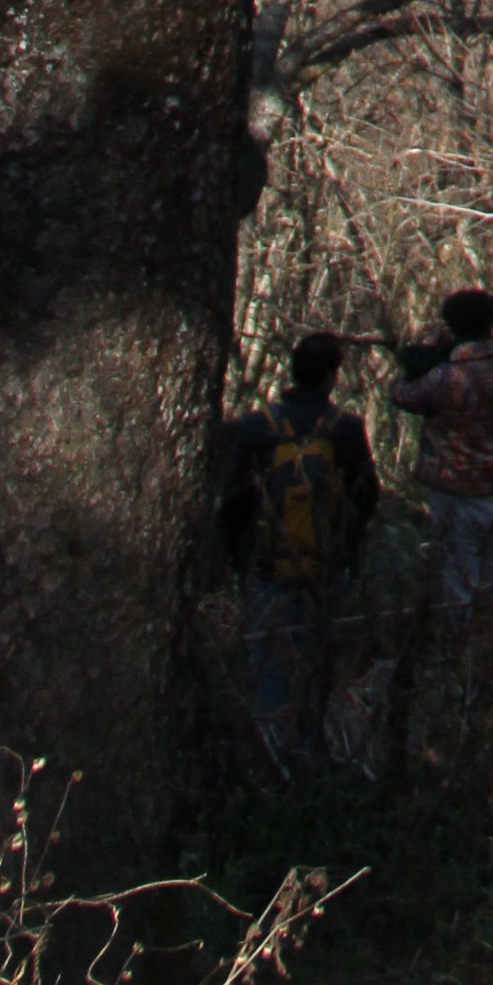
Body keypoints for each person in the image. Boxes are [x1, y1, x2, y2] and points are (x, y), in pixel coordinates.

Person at [217, 328, 379, 775]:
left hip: (266, 569)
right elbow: (367, 497)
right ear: (331, 377)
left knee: (268, 663)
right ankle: (310, 757)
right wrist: (349, 554)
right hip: (323, 572)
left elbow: (232, 502)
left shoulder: (257, 428)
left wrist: (237, 558)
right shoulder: (344, 430)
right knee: (315, 660)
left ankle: (272, 761)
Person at [393, 284, 493, 670]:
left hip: (455, 497)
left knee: (457, 590)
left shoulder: (444, 378)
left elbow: (400, 393)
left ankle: (457, 674)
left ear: (452, 326)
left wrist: (427, 348)